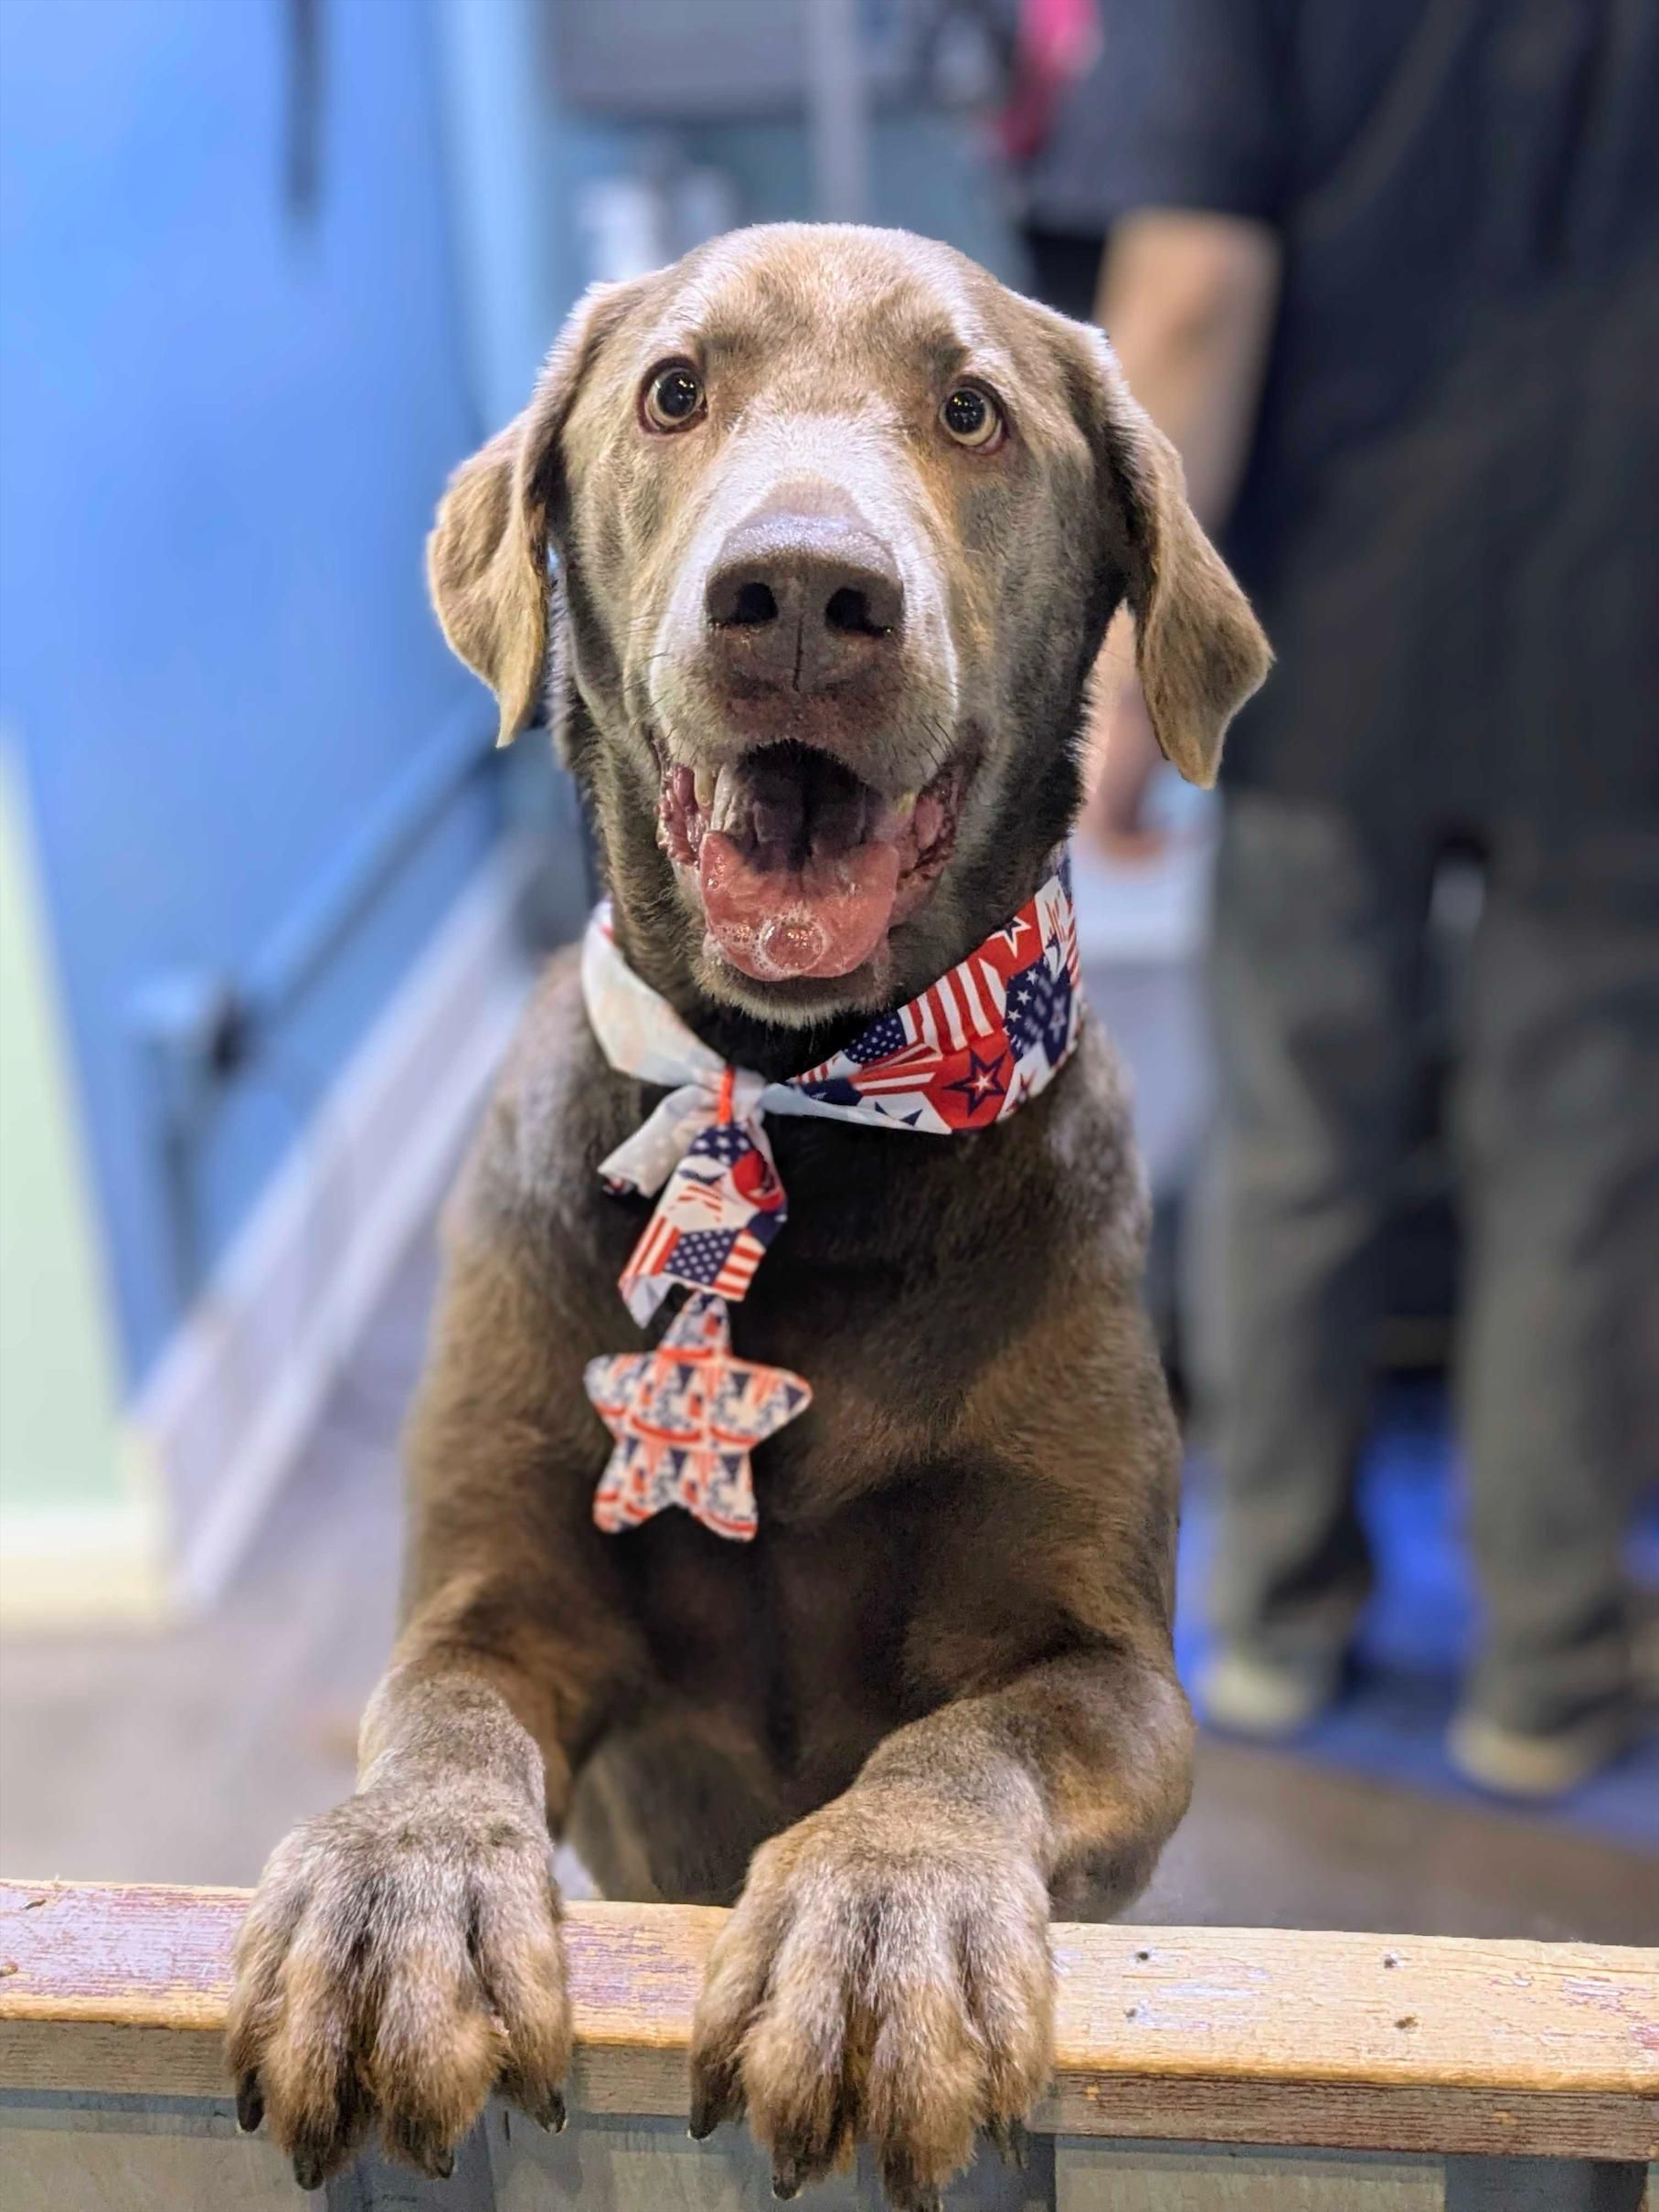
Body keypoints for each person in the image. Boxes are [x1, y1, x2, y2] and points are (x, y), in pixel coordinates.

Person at [1070, 0, 1659, 1795]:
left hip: (1336, 615)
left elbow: (1184, 296)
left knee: (1293, 1132)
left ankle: (1265, 1613)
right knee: (1581, 1155)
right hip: (1619, 624)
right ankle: (1547, 1670)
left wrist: (1123, 661)